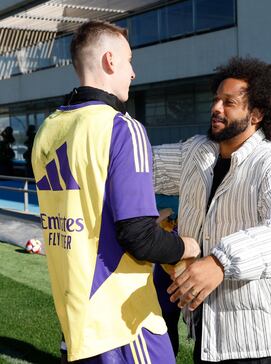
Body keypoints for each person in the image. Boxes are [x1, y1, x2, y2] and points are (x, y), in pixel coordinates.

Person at [32, 20, 200, 363]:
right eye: (129, 61)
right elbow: (139, 238)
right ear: (110, 61)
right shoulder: (123, 127)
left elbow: (87, 214)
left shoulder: (48, 129)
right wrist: (188, 245)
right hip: (123, 320)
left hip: (76, 323)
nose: (134, 73)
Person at [152, 57, 271, 363]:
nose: (216, 108)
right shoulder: (197, 153)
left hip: (260, 344)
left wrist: (220, 262)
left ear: (255, 114)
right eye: (216, 99)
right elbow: (142, 166)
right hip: (208, 334)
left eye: (229, 102)